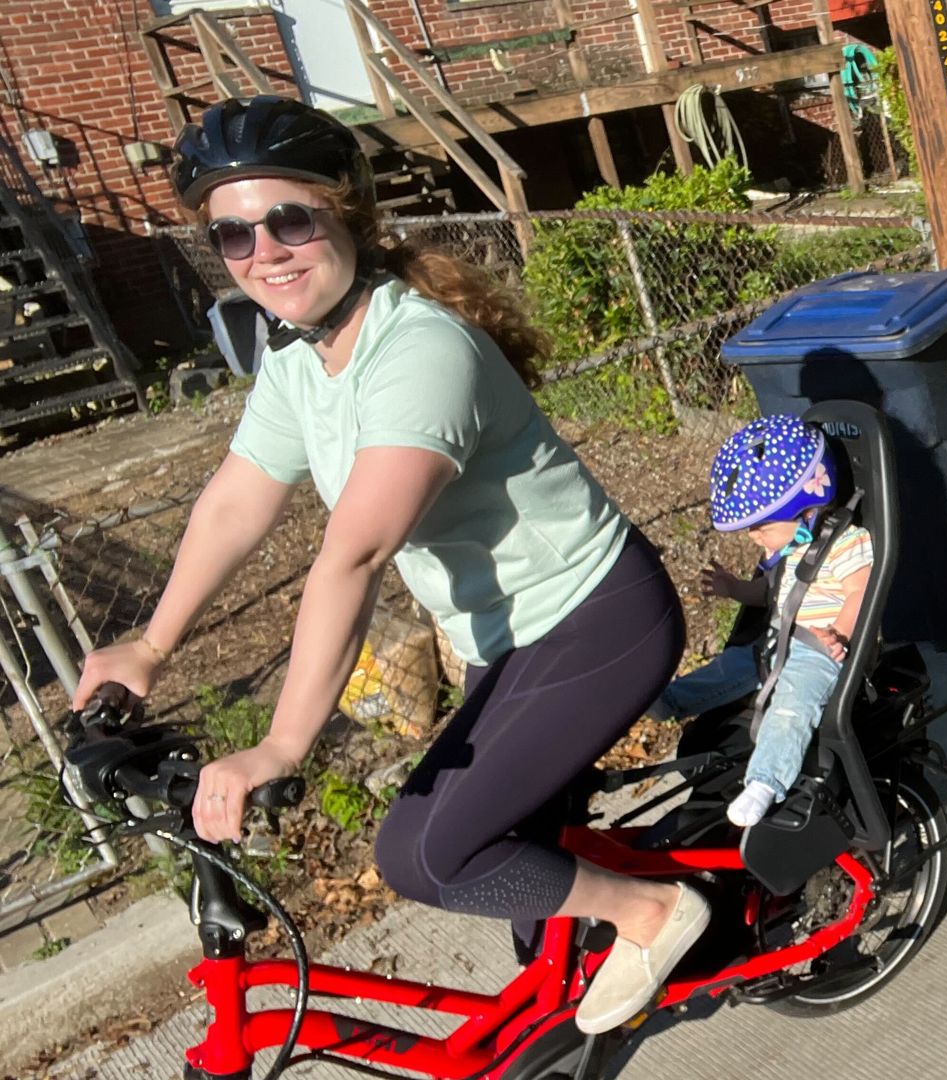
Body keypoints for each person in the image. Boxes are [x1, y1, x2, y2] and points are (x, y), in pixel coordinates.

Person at [69, 95, 707, 1036]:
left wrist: (284, 746)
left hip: (592, 620)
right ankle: (620, 917)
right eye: (233, 236)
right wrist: (149, 646)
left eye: (289, 220)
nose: (265, 253)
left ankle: (657, 913)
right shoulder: (301, 359)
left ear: (347, 215)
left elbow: (353, 557)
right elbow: (236, 503)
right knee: (529, 907)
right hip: (501, 637)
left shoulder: (420, 352)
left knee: (426, 857)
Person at [696, 414, 873, 828]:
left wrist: (841, 632)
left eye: (762, 528)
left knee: (791, 707)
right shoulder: (790, 547)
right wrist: (735, 588)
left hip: (820, 652)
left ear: (805, 510)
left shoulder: (848, 543)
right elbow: (770, 594)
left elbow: (861, 592)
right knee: (729, 668)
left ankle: (765, 782)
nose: (755, 537)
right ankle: (667, 700)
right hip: (779, 643)